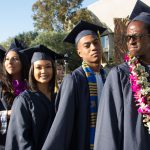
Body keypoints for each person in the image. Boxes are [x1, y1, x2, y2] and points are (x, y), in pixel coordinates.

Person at [42, 20, 107, 150]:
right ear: (79, 53)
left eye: (96, 42)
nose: (93, 47)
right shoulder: (73, 80)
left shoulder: (108, 76)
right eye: (87, 45)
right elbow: (63, 122)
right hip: (83, 143)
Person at [94, 12, 150, 150]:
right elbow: (108, 126)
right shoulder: (120, 75)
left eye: (136, 36)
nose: (131, 41)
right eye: (128, 37)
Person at [5, 44, 63, 150]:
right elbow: (20, 140)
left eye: (48, 66)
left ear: (53, 69)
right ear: (32, 71)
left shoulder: (59, 98)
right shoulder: (23, 101)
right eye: (38, 67)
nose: (44, 71)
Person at [0, 39, 29, 149]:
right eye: (6, 59)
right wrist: (8, 113)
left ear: (23, 62)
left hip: (26, 140)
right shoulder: (1, 87)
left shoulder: (31, 87)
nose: (9, 62)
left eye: (15, 59)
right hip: (4, 142)